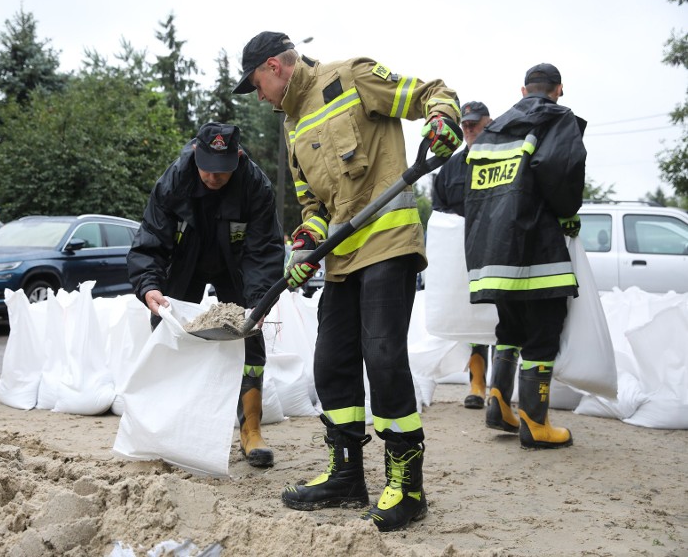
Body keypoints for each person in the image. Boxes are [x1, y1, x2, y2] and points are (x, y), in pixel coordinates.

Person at [233, 31, 462, 531]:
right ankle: (346, 474)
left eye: (256, 85)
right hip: (340, 258)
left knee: (382, 355)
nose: (260, 97)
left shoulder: (352, 76)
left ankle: (407, 482)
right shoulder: (293, 127)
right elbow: (314, 206)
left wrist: (444, 120)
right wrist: (304, 247)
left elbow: (431, 94)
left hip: (388, 244)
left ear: (274, 67)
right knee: (331, 363)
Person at [127, 122, 284, 468]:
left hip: (237, 263)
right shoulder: (175, 180)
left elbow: (265, 249)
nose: (213, 178)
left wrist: (259, 300)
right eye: (208, 171)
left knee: (250, 336)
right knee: (168, 332)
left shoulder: (255, 186)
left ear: (238, 157)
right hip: (187, 260)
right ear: (196, 153)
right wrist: (148, 285)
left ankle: (251, 430)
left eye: (223, 172)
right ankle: (168, 425)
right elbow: (151, 238)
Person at [464, 63, 586, 449]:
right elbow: (560, 168)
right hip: (537, 248)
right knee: (544, 332)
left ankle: (498, 404)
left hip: (493, 254)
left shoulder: (493, 131)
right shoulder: (557, 118)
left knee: (510, 328)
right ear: (559, 89)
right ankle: (535, 422)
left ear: (523, 91)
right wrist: (567, 214)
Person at [431, 100, 494, 409]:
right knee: (473, 319)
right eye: (466, 124)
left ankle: (501, 391)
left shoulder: (502, 158)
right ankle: (477, 385)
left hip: (497, 252)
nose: (469, 129)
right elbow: (439, 213)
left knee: (500, 318)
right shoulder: (452, 168)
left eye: (474, 123)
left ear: (488, 122)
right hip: (461, 257)